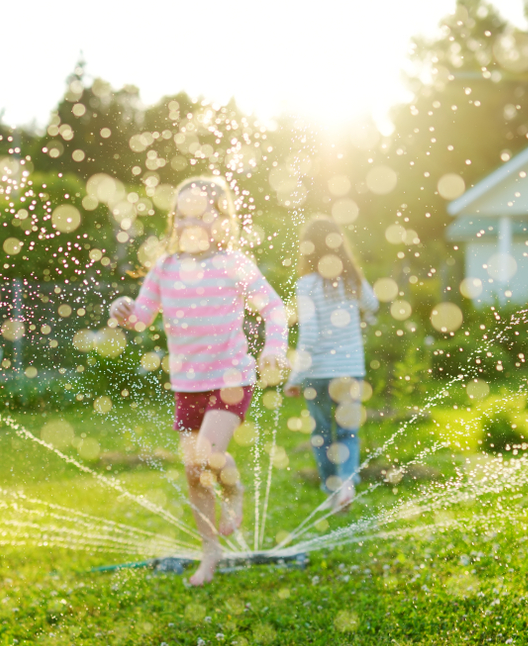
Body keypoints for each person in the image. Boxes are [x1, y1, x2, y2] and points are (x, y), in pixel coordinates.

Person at [109, 176, 288, 587]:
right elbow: (142, 317)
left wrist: (274, 347)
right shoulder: (165, 269)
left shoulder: (234, 264)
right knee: (194, 472)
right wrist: (124, 310)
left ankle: (235, 489)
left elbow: (274, 308)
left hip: (230, 377)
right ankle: (210, 553)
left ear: (221, 217)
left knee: (206, 456)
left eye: (200, 213)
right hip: (187, 385)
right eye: (183, 214)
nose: (191, 222)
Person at [285, 216, 377, 514]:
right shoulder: (351, 280)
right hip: (350, 370)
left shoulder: (306, 284)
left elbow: (309, 334)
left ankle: (333, 491)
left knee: (322, 434)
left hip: (318, 373)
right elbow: (373, 304)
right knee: (348, 432)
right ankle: (348, 484)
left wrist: (295, 376)